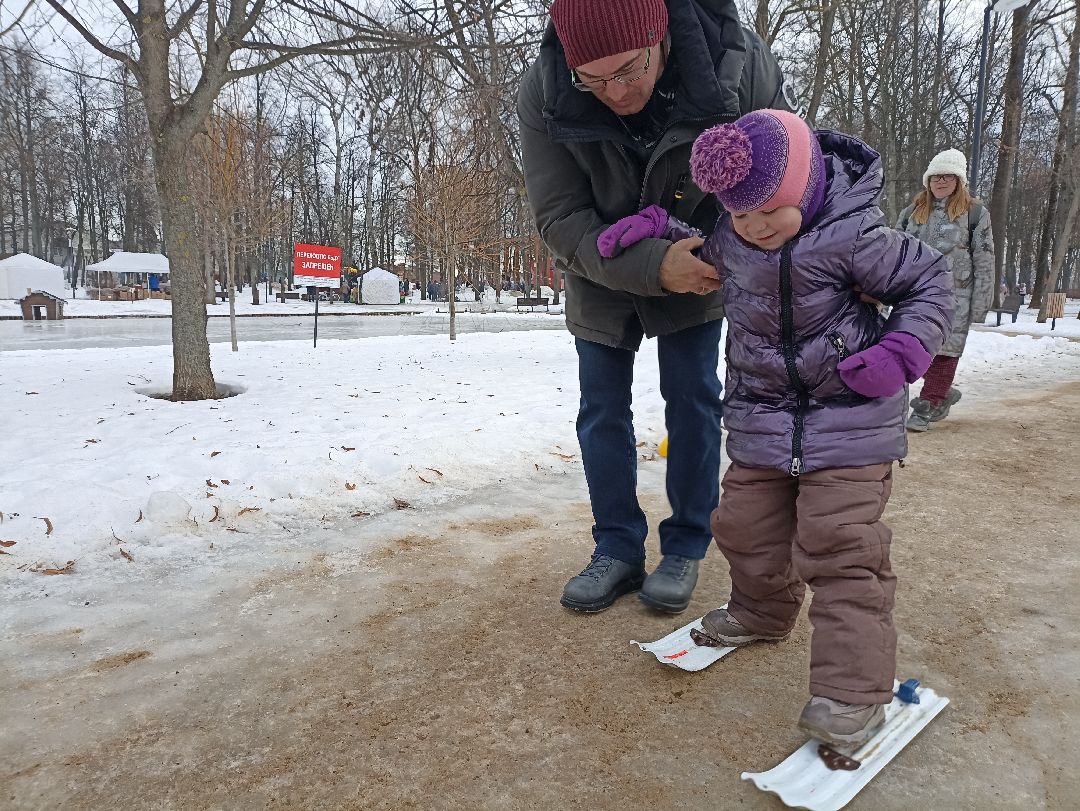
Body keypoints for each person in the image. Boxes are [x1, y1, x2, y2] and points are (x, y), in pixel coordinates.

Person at [597, 109, 954, 745]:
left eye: (770, 210)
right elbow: (703, 245)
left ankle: (852, 693)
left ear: (809, 184)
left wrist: (902, 352)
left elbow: (929, 281)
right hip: (763, 422)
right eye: (739, 214)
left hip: (850, 422)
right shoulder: (736, 239)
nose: (756, 227)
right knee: (744, 527)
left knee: (839, 547)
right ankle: (762, 612)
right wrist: (653, 227)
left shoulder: (856, 237)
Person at [519, 0, 793, 613]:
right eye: (593, 79)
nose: (614, 93)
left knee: (693, 395)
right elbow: (560, 216)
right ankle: (616, 547)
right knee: (601, 409)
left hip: (702, 252)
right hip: (600, 259)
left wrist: (721, 252)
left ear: (660, 35)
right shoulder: (547, 86)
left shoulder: (737, 66)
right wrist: (648, 265)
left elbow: (778, 173)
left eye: (627, 70)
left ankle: (687, 544)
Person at [896, 148, 994, 432]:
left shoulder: (975, 214)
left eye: (948, 177)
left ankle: (927, 405)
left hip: (957, 298)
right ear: (928, 180)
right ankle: (942, 392)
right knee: (913, 347)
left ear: (958, 181)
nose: (941, 181)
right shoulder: (911, 213)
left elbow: (985, 259)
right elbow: (892, 253)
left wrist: (981, 302)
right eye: (936, 176)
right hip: (915, 295)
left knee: (945, 352)